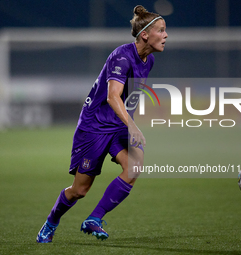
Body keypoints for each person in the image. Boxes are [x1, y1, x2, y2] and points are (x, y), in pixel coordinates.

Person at [36, 5, 168, 243]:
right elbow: (112, 96)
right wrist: (133, 127)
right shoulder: (122, 56)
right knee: (79, 190)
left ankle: (94, 219)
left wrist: (129, 125)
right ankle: (51, 221)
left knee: (134, 167)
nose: (166, 35)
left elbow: (130, 98)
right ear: (145, 35)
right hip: (94, 126)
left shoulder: (148, 61)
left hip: (117, 125)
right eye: (161, 30)